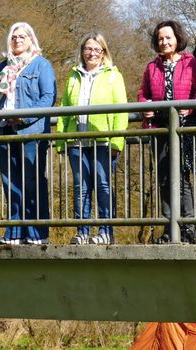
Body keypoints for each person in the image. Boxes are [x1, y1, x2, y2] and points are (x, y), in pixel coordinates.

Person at [0, 22, 56, 245]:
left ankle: (36, 232)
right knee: (10, 182)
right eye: (14, 37)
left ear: (31, 40)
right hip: (3, 130)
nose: (18, 40)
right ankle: (15, 232)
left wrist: (25, 117)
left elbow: (48, 97)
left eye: (23, 36)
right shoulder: (3, 67)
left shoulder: (41, 65)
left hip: (31, 131)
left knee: (33, 181)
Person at [56, 32, 128, 245]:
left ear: (104, 52)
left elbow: (121, 111)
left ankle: (106, 231)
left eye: (97, 49)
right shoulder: (73, 75)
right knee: (81, 187)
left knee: (103, 185)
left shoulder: (113, 76)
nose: (92, 53)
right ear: (82, 51)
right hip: (77, 141)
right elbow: (64, 108)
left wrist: (117, 141)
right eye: (88, 48)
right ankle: (82, 231)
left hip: (103, 141)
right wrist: (61, 140)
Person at [138, 20, 196, 244]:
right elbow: (143, 93)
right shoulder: (152, 67)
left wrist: (191, 107)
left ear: (177, 39)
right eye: (160, 38)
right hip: (160, 128)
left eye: (168, 37)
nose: (164, 42)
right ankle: (169, 228)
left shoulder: (192, 63)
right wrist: (144, 107)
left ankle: (188, 227)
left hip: (184, 128)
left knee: (182, 178)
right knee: (164, 179)